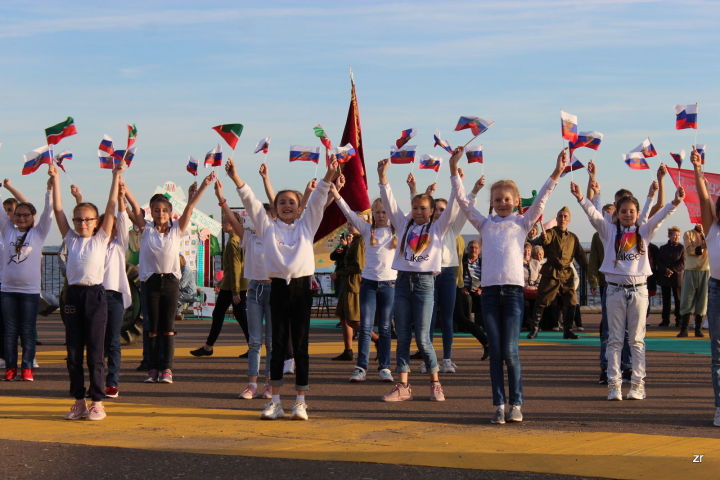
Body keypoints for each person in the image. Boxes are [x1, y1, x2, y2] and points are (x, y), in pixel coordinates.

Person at [453, 148, 567, 423]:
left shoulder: (522, 223)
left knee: (511, 352)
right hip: (490, 294)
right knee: (495, 352)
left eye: (507, 199)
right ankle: (499, 406)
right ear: (492, 203)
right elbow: (464, 203)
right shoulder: (484, 224)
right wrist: (453, 169)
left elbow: (541, 201)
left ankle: (516, 403)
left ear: (516, 202)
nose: (502, 203)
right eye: (497, 200)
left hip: (514, 294)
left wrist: (556, 172)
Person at [226, 156, 338, 421]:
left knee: (300, 345)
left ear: (300, 208)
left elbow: (319, 201)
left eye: (292, 202)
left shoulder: (306, 226)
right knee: (276, 345)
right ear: (275, 208)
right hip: (277, 288)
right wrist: (236, 178)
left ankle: (300, 401)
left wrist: (329, 174)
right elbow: (252, 203)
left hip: (300, 290)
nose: (287, 205)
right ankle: (275, 401)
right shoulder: (267, 228)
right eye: (282, 202)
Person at [571, 177, 684, 401]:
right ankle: (614, 384)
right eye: (623, 211)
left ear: (637, 212)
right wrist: (582, 198)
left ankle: (637, 384)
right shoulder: (608, 231)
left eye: (631, 211)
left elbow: (660, 216)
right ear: (617, 213)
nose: (627, 214)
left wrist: (674, 202)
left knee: (636, 340)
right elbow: (593, 214)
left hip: (639, 291)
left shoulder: (644, 231)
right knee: (614, 340)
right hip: (614, 290)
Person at [376, 148, 461, 404]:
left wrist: (454, 170)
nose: (418, 211)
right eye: (415, 207)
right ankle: (403, 386)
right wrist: (383, 178)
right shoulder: (403, 225)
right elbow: (390, 204)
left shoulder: (438, 227)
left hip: (425, 284)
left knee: (423, 338)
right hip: (402, 281)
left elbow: (455, 204)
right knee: (402, 335)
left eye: (423, 208)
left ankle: (435, 383)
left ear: (433, 210)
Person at [50, 162, 122, 420]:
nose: (82, 223)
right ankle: (79, 401)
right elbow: (58, 209)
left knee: (95, 351)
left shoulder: (102, 237)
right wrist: (55, 179)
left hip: (95, 296)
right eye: (78, 219)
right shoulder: (70, 238)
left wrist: (116, 176)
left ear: (96, 222)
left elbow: (111, 206)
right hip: (73, 296)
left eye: (88, 219)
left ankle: (98, 402)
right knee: (72, 351)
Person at [131, 172, 214, 384]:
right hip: (150, 282)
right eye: (156, 210)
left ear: (170, 213)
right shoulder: (146, 229)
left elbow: (189, 209)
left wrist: (203, 186)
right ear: (151, 212)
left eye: (164, 210)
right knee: (152, 328)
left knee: (167, 327)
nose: (160, 213)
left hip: (170, 282)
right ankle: (152, 369)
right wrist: (122, 187)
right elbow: (133, 206)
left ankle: (166, 369)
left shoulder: (177, 230)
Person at [409, 169, 480, 373]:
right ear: (432, 211)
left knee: (447, 319)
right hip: (429, 274)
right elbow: (417, 208)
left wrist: (472, 189)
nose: (440, 212)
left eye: (443, 209)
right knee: (428, 319)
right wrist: (414, 188)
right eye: (437, 209)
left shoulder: (453, 228)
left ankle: (447, 358)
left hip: (449, 274)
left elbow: (464, 207)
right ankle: (427, 360)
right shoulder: (427, 228)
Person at [69, 182, 132, 399]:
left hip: (112, 295)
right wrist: (79, 197)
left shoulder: (118, 244)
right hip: (91, 294)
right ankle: (95, 382)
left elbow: (117, 214)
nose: (110, 228)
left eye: (111, 224)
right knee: (92, 343)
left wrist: (121, 196)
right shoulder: (92, 242)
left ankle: (111, 382)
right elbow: (85, 219)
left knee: (112, 340)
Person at [213, 180, 273, 400]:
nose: (261, 220)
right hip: (255, 289)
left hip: (274, 290)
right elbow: (231, 219)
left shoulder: (278, 236)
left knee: (271, 342)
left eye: (265, 216)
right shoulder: (248, 238)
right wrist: (221, 198)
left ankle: (269, 384)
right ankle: (252, 384)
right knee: (255, 340)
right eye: (258, 217)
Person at [0, 178, 46, 381]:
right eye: (17, 215)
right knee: (9, 332)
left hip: (30, 292)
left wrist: (50, 188)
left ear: (32, 217)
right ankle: (10, 368)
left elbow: (51, 210)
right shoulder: (7, 230)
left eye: (25, 215)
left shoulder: (38, 233)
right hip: (8, 290)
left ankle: (27, 367)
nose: (21, 218)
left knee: (27, 331)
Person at [690, 148, 720, 426]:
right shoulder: (712, 230)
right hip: (717, 289)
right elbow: (704, 197)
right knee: (718, 352)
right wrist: (698, 170)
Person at [527, 207, 588, 340]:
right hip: (551, 273)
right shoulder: (550, 232)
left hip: (567, 275)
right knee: (542, 301)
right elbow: (546, 239)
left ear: (569, 219)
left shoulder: (573, 238)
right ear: (557, 218)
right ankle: (534, 329)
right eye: (560, 216)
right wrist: (544, 238)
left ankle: (568, 330)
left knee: (571, 302)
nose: (562, 218)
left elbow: (581, 257)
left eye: (565, 216)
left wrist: (591, 275)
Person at [332, 227, 363, 361]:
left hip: (353, 284)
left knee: (352, 319)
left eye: (352, 223)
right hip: (344, 283)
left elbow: (358, 265)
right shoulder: (349, 241)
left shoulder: (360, 241)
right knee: (343, 317)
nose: (349, 227)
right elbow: (333, 256)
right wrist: (343, 247)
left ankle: (377, 339)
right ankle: (348, 350)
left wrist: (339, 273)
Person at [455, 240, 489, 359]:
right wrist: (462, 287)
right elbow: (460, 276)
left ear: (479, 250)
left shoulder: (483, 262)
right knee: (465, 301)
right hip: (463, 289)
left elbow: (487, 278)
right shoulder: (463, 260)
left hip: (477, 290)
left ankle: (486, 339)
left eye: (476, 248)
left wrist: (481, 289)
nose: (473, 250)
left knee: (460, 318)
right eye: (471, 247)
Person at [679, 224, 709, 337]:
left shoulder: (708, 234)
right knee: (687, 298)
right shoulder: (688, 234)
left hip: (705, 270)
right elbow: (690, 250)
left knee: (703, 300)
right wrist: (702, 245)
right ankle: (684, 329)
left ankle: (698, 329)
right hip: (691, 269)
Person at [657, 227, 685, 329]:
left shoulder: (682, 248)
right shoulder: (663, 248)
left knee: (678, 300)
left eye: (678, 235)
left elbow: (682, 262)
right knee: (666, 300)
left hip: (677, 278)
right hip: (665, 277)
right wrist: (665, 270)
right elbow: (658, 262)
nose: (677, 237)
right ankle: (665, 321)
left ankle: (679, 320)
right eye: (674, 235)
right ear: (669, 236)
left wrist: (672, 270)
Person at [176, 255, 199, 319]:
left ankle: (177, 314)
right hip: (186, 292)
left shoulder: (186, 270)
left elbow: (181, 285)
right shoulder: (182, 269)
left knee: (172, 296)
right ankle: (177, 313)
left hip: (189, 293)